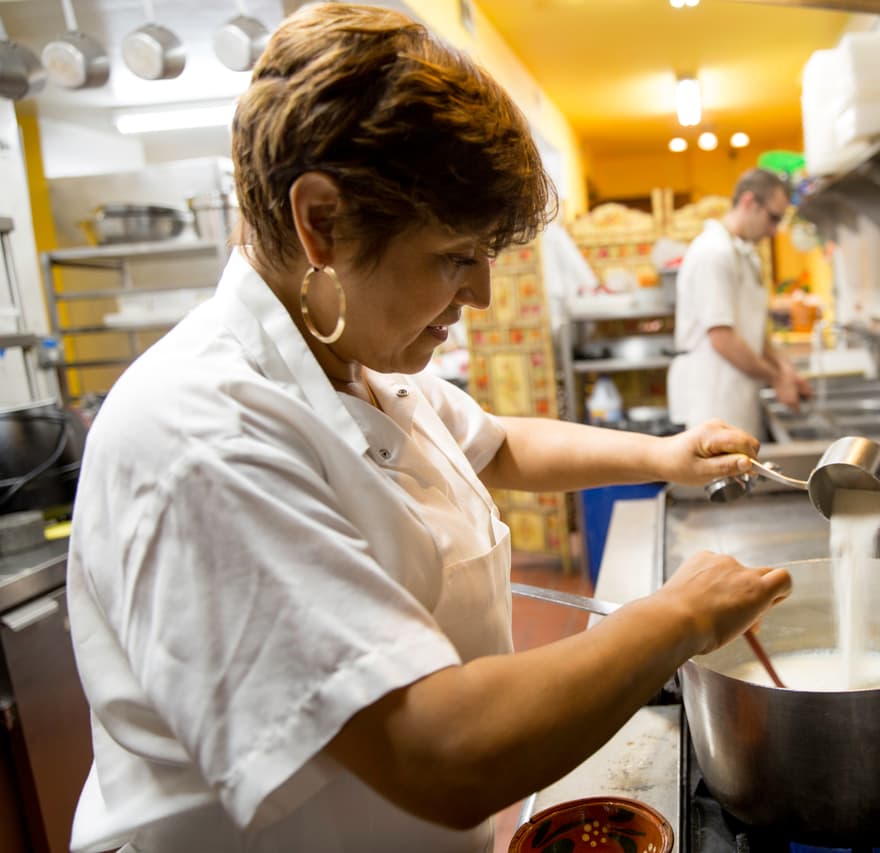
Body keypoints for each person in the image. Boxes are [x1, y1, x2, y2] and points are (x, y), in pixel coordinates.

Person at [63, 6, 791, 852]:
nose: (479, 295)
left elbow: (498, 445)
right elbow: (437, 749)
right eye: (455, 256)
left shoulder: (355, 361)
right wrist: (677, 617)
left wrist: (663, 454)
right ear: (322, 223)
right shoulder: (201, 436)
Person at [667, 168, 813, 440]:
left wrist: (785, 367)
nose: (773, 230)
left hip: (736, 393)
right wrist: (775, 378)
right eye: (773, 218)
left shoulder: (744, 254)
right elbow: (722, 338)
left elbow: (752, 331)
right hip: (713, 398)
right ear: (749, 202)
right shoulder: (713, 252)